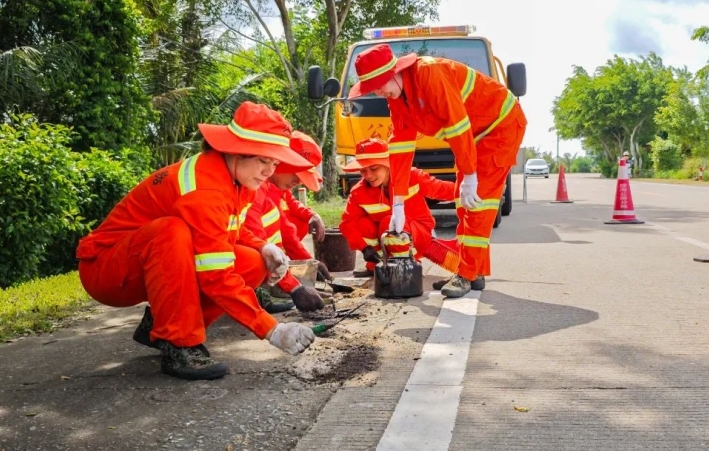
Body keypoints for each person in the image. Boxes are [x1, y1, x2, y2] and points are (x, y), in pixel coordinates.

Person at [76, 101, 317, 381]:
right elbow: (215, 274)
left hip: (146, 262)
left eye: (274, 163)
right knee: (171, 231)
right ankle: (179, 343)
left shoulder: (238, 180)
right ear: (236, 151)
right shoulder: (206, 188)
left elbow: (225, 234)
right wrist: (271, 329)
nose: (268, 171)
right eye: (263, 160)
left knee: (252, 262)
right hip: (106, 269)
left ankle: (159, 327)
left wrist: (262, 246)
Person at [348, 43, 527, 298]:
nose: (377, 92)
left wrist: (471, 175)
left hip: (499, 128)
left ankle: (466, 274)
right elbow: (399, 151)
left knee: (477, 204)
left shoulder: (429, 73)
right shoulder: (397, 100)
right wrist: (397, 204)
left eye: (378, 84)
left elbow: (457, 125)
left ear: (393, 73)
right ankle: (473, 271)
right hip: (472, 138)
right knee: (463, 204)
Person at [339, 137, 460, 278]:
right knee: (362, 224)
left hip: (419, 235)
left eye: (373, 168)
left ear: (388, 164)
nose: (368, 175)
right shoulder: (358, 192)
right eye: (363, 171)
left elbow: (442, 189)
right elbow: (347, 223)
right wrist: (364, 248)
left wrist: (472, 191)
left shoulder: (412, 176)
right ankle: (377, 266)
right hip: (387, 235)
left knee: (388, 222)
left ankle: (406, 268)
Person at [244, 131, 329, 313]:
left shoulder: (271, 188)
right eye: (296, 174)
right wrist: (294, 287)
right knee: (255, 259)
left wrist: (308, 262)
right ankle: (254, 294)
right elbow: (258, 239)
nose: (298, 182)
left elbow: (285, 229)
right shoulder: (257, 188)